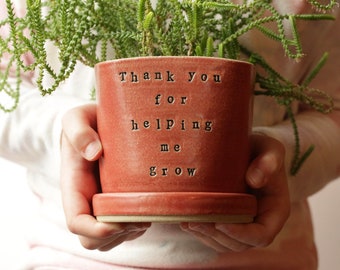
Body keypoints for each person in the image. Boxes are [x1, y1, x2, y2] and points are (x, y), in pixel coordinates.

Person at [0, 0, 339, 269]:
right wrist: (65, 134)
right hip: (71, 257)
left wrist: (273, 157)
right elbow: (6, 86)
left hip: (267, 260)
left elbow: (332, 110)